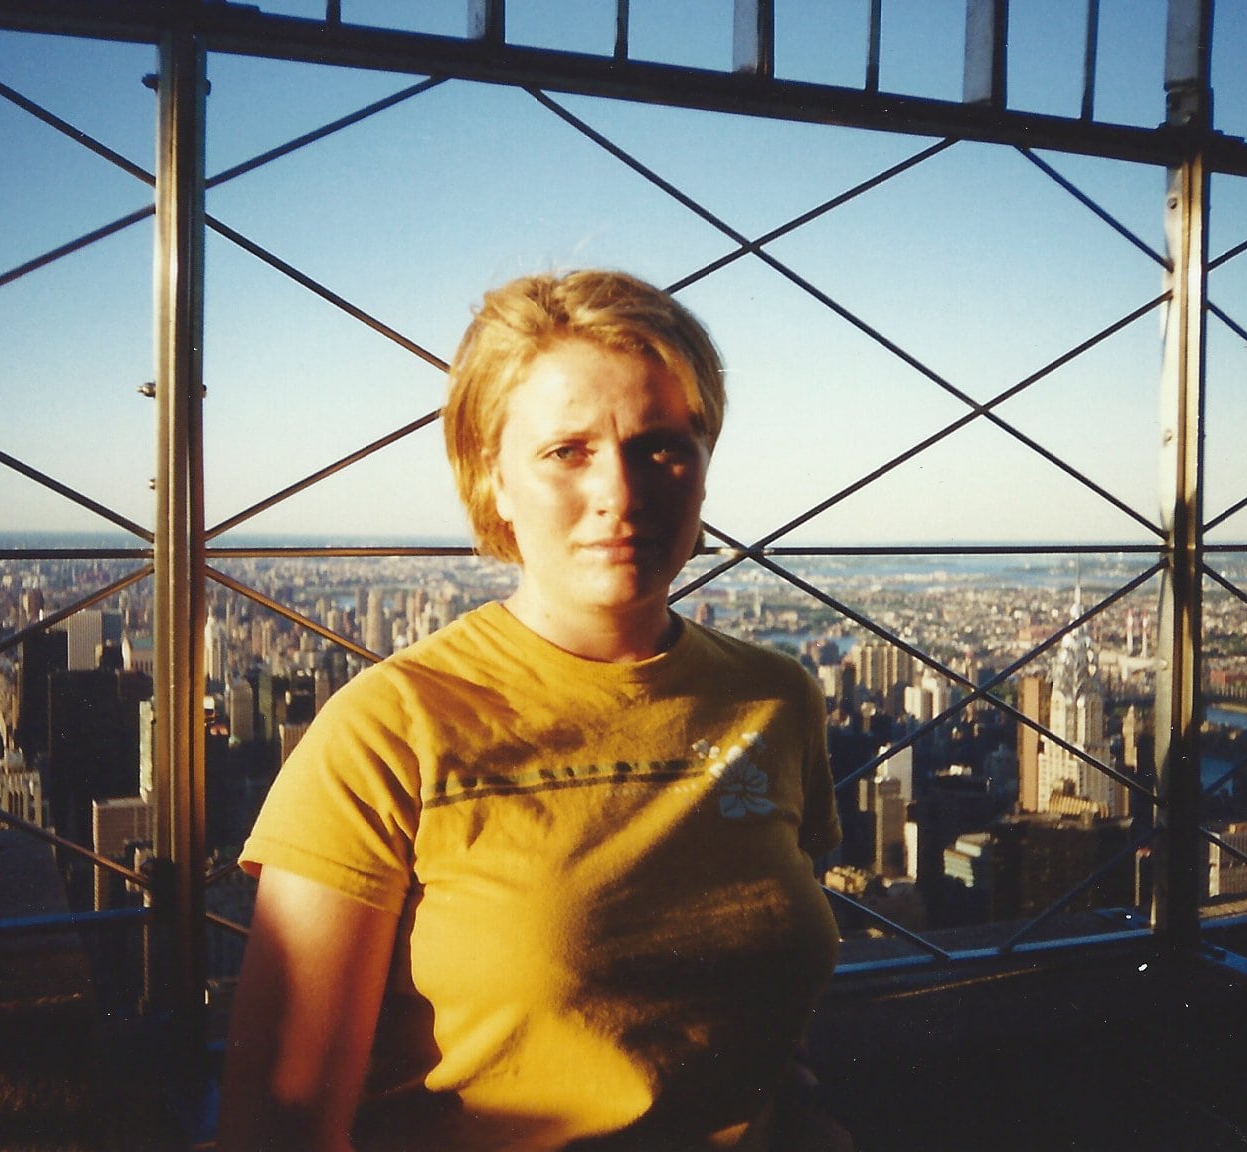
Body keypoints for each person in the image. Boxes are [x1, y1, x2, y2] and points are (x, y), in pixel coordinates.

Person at [218, 269, 846, 1151]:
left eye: (662, 444)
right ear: (493, 481)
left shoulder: (777, 701)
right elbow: (281, 1126)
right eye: (567, 451)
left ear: (706, 468)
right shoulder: (389, 732)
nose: (620, 496)